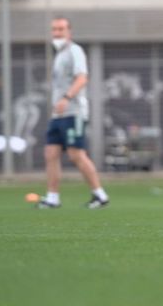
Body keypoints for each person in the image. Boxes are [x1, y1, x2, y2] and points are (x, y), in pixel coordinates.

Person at [37, 17, 109, 209]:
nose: (57, 33)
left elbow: (82, 78)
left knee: (76, 155)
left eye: (61, 29)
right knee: (50, 153)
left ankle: (100, 195)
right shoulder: (59, 55)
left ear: (69, 31)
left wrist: (66, 98)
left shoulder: (74, 51)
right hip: (58, 115)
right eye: (54, 29)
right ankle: (52, 198)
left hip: (74, 112)